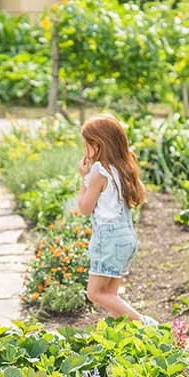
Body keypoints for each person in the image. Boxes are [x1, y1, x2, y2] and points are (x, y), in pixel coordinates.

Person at [76, 114, 154, 325]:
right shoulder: (123, 167)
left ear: (98, 145)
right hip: (126, 238)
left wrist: (83, 178)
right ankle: (127, 335)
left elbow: (84, 208)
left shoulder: (99, 172)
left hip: (109, 240)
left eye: (87, 144)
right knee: (111, 295)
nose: (84, 149)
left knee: (95, 293)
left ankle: (145, 324)